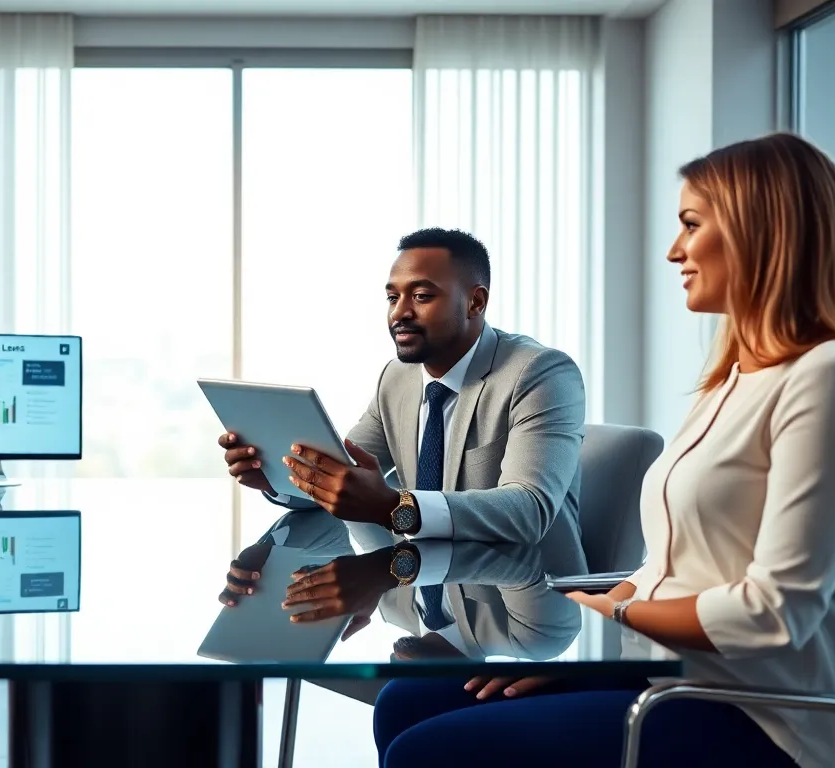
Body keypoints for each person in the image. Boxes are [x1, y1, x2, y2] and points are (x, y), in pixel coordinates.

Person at [374, 133, 835, 768]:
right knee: (409, 702)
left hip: (756, 713)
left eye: (691, 224)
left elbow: (775, 613)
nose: (674, 250)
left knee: (429, 751)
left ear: (761, 231)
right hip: (669, 676)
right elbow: (675, 565)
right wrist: (591, 654)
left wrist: (622, 613)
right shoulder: (733, 377)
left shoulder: (829, 374)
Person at [219, 227, 588, 635]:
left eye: (421, 296)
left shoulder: (539, 373)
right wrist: (275, 475)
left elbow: (529, 512)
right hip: (422, 585)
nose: (399, 313)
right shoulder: (397, 378)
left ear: (475, 301)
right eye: (393, 297)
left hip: (524, 603)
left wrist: (394, 507)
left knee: (398, 698)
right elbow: (346, 479)